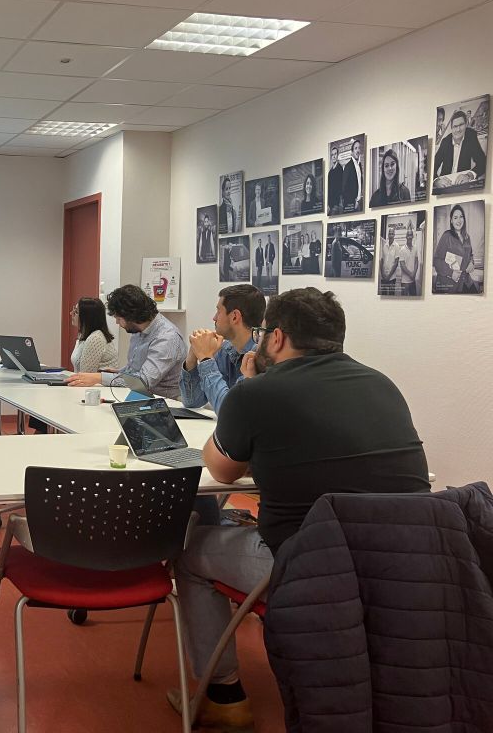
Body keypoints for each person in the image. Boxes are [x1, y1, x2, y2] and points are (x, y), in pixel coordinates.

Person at [169, 287, 430, 729]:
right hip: (405, 569)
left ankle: (224, 694)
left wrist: (248, 397)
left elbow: (220, 468)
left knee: (190, 551)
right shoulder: (383, 385)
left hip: (307, 567)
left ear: (276, 338)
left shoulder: (261, 393)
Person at [65, 284, 186, 398]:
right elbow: (135, 369)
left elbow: (143, 381)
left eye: (118, 318)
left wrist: (99, 378)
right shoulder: (138, 329)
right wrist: (120, 372)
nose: (117, 322)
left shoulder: (167, 338)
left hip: (165, 403)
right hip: (137, 397)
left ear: (131, 317)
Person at [180, 284, 264, 413]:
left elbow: (229, 411)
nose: (214, 318)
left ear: (235, 316)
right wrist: (193, 354)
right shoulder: (225, 349)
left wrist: (206, 359)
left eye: (218, 311)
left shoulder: (259, 356)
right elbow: (192, 402)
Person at [433, 109, 487, 189]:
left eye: (461, 125)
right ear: (451, 128)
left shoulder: (471, 136)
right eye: (455, 126)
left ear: (466, 125)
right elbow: (433, 166)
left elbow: (482, 162)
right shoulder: (445, 142)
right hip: (445, 185)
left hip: (462, 184)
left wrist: (469, 175)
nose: (458, 129)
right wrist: (436, 181)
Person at [433, 203, 479, 293]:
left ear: (464, 219)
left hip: (465, 280)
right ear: (451, 221)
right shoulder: (447, 236)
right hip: (450, 283)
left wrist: (471, 263)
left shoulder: (467, 237)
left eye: (461, 217)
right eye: (455, 217)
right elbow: (437, 260)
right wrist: (451, 273)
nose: (459, 220)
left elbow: (470, 255)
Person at [69, 296, 116, 373]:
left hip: (99, 385)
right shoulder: (83, 336)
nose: (71, 313)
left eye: (76, 312)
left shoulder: (96, 338)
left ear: (88, 317)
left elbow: (85, 374)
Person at [342, 138, 364, 213]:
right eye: (355, 148)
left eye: (359, 148)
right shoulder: (348, 166)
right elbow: (344, 188)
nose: (358, 150)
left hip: (359, 203)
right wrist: (353, 202)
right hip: (350, 205)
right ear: (352, 152)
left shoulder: (359, 165)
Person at [379, 224, 401, 295]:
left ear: (394, 235)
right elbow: (382, 260)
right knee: (383, 295)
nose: (391, 235)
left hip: (392, 277)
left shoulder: (396, 246)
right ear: (388, 235)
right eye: (389, 233)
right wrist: (382, 274)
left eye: (392, 234)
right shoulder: (385, 245)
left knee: (391, 295)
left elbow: (396, 262)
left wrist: (389, 276)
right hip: (383, 276)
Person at [398, 225, 420, 296]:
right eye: (408, 235)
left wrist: (414, 274)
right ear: (406, 236)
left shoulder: (415, 248)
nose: (409, 237)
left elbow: (417, 262)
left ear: (413, 236)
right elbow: (402, 265)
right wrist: (411, 274)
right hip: (405, 281)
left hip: (413, 280)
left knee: (414, 300)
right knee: (403, 301)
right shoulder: (402, 250)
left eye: (411, 235)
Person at [327, 145, 344, 214]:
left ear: (337, 155)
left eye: (335, 154)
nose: (333, 156)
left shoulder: (340, 169)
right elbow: (329, 188)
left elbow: (340, 187)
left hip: (336, 204)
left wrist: (337, 204)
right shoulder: (330, 171)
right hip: (330, 204)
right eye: (332, 155)